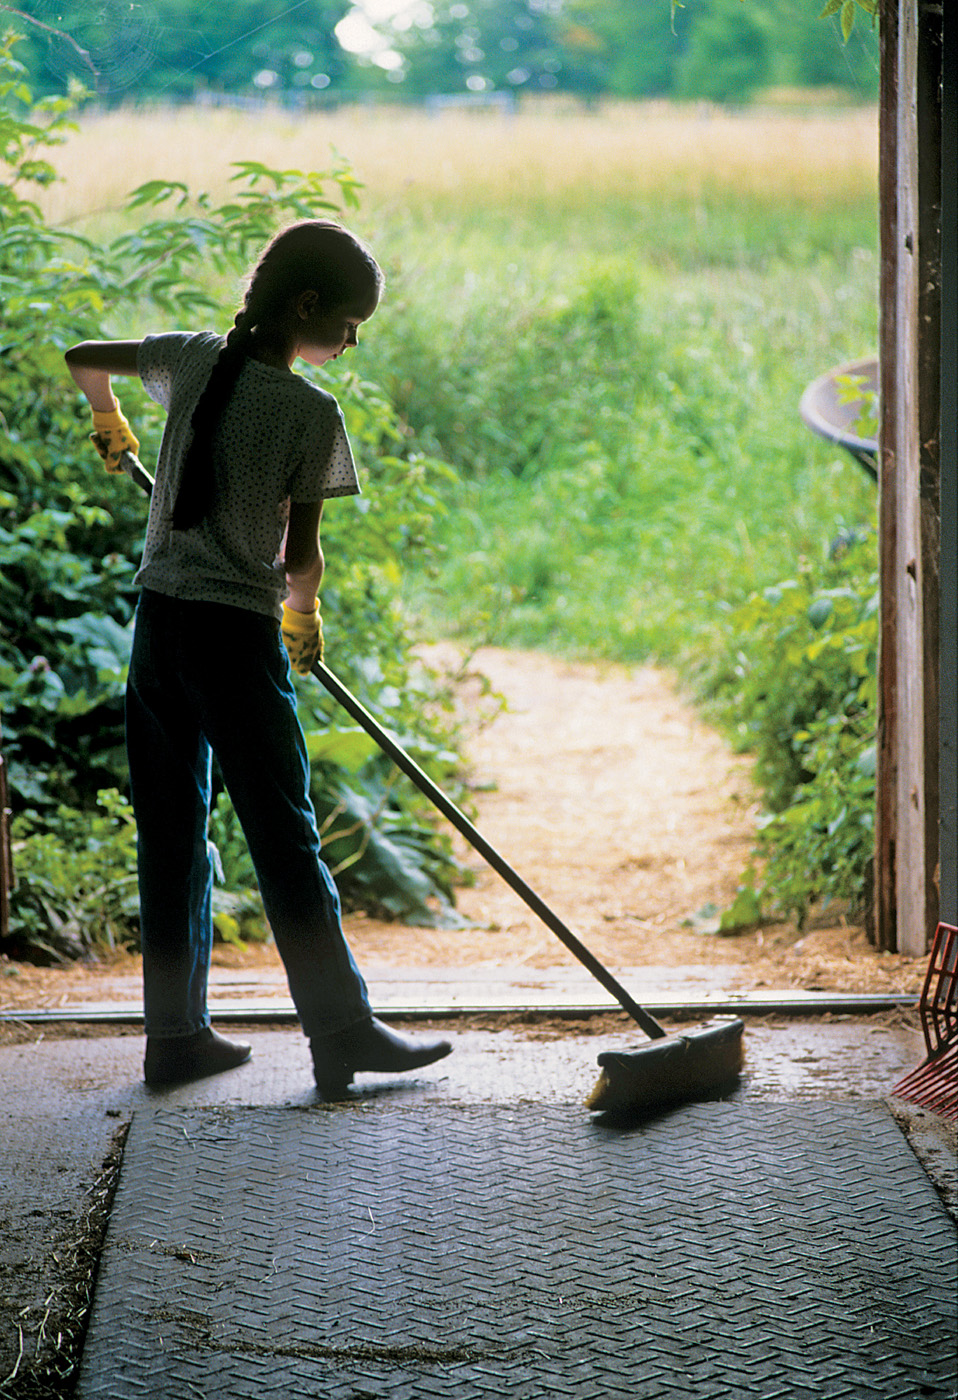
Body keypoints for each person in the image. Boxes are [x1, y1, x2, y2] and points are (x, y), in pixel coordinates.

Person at [65, 219, 452, 1097]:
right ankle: (342, 1031)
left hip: (158, 631)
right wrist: (304, 617)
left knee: (171, 839)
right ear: (307, 306)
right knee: (284, 837)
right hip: (235, 641)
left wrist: (108, 412)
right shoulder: (312, 414)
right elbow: (300, 558)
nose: (351, 342)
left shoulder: (192, 358)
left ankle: (175, 1038)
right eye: (350, 324)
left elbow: (83, 354)